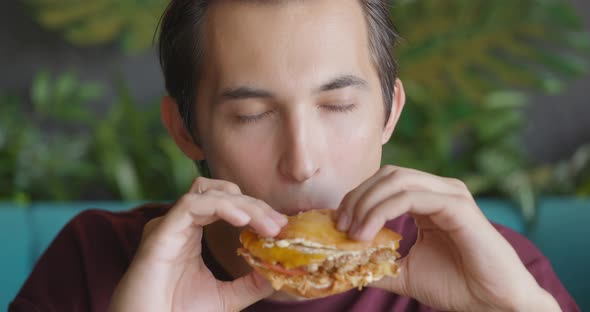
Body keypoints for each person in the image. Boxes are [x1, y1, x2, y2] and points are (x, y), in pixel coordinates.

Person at [10, 0, 579, 311]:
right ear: (186, 130)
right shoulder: (92, 266)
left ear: (389, 112)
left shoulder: (492, 273)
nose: (303, 162)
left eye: (337, 105)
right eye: (252, 115)